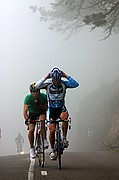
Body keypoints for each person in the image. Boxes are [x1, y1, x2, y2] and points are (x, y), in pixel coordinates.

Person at [35, 67, 79, 160]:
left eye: (58, 79)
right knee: (51, 130)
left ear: (60, 78)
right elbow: (36, 86)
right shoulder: (48, 84)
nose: (56, 82)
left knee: (65, 117)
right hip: (51, 110)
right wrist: (46, 77)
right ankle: (53, 150)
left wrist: (66, 75)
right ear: (52, 79)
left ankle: (64, 138)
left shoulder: (64, 84)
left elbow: (76, 84)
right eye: (54, 80)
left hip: (61, 108)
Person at [23, 83, 49, 158]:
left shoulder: (43, 96)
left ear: (39, 91)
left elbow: (46, 108)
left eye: (37, 91)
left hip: (41, 112)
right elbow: (25, 111)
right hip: (32, 114)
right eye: (34, 92)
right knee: (31, 130)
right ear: (31, 92)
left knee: (42, 121)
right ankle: (31, 147)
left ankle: (44, 139)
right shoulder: (28, 98)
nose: (36, 93)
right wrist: (27, 120)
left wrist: (39, 105)